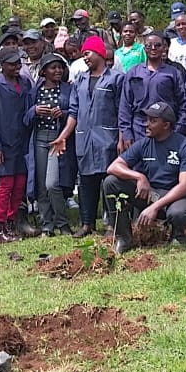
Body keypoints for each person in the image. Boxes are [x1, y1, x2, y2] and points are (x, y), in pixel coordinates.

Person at [103, 101, 186, 254]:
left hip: (176, 197)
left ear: (166, 125)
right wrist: (139, 177)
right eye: (147, 119)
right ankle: (123, 238)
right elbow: (113, 167)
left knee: (178, 214)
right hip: (152, 194)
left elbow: (185, 186)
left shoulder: (185, 146)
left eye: (153, 121)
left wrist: (155, 207)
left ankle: (177, 234)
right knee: (111, 182)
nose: (146, 124)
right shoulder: (143, 144)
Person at [55, 36, 124, 237]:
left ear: (99, 53)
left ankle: (112, 224)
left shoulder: (116, 79)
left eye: (87, 53)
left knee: (110, 182)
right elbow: (74, 112)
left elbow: (122, 111)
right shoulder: (80, 80)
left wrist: (121, 138)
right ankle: (87, 224)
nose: (84, 57)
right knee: (86, 182)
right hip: (84, 139)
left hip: (108, 138)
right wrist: (64, 136)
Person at [25, 53, 76, 235]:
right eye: (53, 68)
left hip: (58, 139)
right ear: (44, 71)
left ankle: (62, 222)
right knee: (40, 185)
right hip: (39, 139)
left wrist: (62, 113)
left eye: (60, 67)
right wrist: (35, 110)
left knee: (52, 183)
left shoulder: (68, 89)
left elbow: (74, 112)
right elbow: (25, 118)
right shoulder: (35, 91)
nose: (58, 71)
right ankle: (47, 223)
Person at [0, 46, 32, 242]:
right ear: (2, 65)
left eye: (18, 63)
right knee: (6, 186)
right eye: (12, 64)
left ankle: (11, 224)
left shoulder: (25, 83)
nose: (17, 66)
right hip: (4, 143)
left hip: (22, 142)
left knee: (19, 184)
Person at [119, 32, 186, 145]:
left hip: (165, 129)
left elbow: (183, 103)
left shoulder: (173, 73)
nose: (153, 48)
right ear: (144, 48)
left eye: (157, 45)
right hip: (138, 129)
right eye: (149, 45)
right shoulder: (134, 72)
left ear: (164, 47)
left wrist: (178, 129)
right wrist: (126, 133)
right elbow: (125, 104)